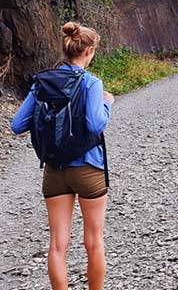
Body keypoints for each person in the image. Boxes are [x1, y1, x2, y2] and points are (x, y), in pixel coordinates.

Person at [10, 22, 114, 290]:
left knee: (57, 245)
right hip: (88, 168)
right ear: (89, 51)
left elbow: (17, 125)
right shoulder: (92, 83)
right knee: (93, 241)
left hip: (54, 171)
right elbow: (95, 124)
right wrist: (106, 103)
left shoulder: (42, 82)